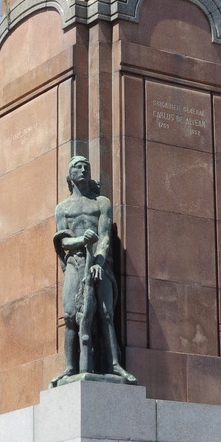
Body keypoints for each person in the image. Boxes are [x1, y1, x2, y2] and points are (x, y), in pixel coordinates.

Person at [52, 156, 135, 383]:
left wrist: (99, 261)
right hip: (75, 263)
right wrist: (81, 240)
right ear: (70, 175)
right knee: (70, 315)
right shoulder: (62, 208)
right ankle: (70, 367)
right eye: (77, 167)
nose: (83, 169)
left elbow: (106, 234)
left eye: (86, 167)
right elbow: (63, 242)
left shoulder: (101, 202)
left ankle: (115, 365)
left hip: (100, 264)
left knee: (106, 313)